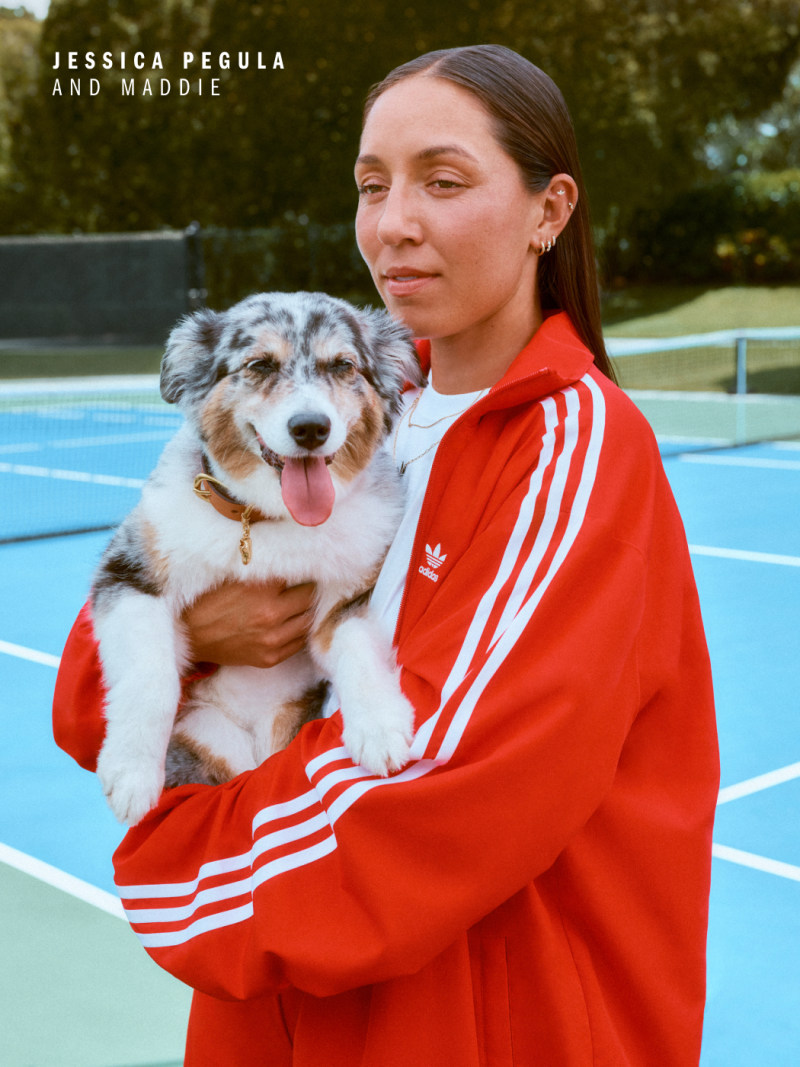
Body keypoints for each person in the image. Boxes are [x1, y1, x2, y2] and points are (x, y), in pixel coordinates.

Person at [52, 44, 719, 1066]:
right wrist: (189, 627)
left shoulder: (575, 443)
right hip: (285, 1016)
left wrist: (180, 863)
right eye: (371, 186)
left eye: (441, 182)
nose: (391, 223)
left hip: (470, 1023)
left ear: (548, 210)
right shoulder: (339, 417)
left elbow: (444, 783)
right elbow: (90, 695)